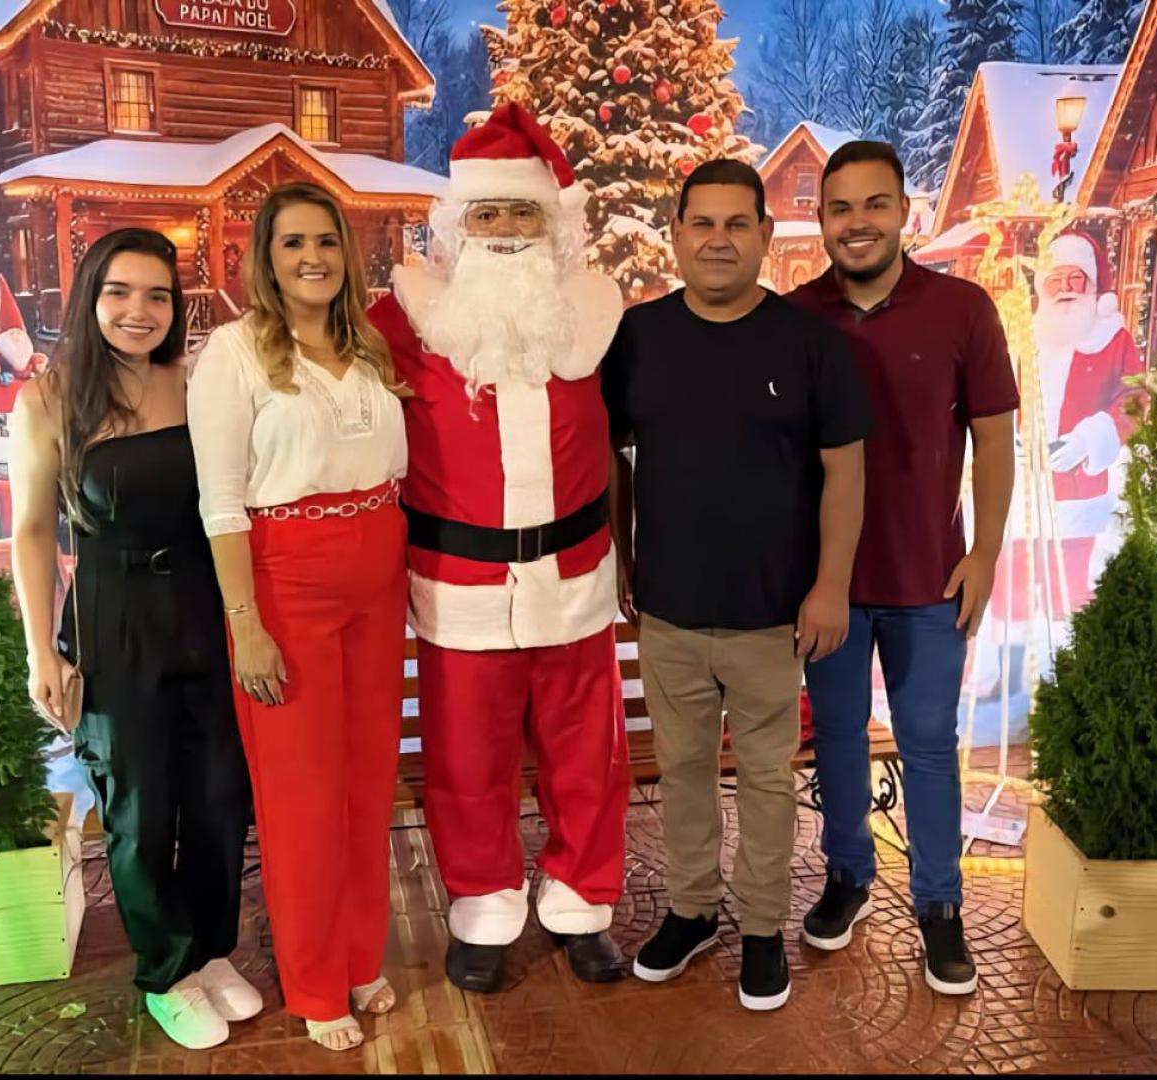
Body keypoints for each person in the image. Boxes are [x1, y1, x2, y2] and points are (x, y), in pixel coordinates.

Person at [366, 103, 631, 993]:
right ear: (457, 226)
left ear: (551, 224)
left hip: (575, 578)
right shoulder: (402, 323)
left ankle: (581, 904)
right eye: (488, 213)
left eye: (523, 211)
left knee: (585, 759)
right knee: (466, 765)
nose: (506, 229)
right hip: (459, 584)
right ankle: (482, 906)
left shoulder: (592, 319)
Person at [608, 159, 870, 1011]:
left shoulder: (808, 343)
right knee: (682, 770)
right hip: (670, 611)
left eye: (735, 224)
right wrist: (620, 557)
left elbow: (845, 471)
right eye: (701, 223)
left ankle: (760, 928)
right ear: (676, 234)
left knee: (764, 779)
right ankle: (691, 911)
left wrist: (829, 586)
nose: (717, 240)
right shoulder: (637, 337)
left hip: (771, 615)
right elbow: (608, 456)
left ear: (763, 234)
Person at [10, 228, 258, 1051]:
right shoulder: (49, 399)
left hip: (205, 601)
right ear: (90, 296)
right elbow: (32, 531)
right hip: (112, 615)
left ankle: (212, 948)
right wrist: (41, 651)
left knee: (219, 795)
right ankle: (166, 970)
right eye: (119, 292)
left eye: (157, 295)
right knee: (139, 806)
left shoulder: (196, 383)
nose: (138, 311)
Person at [790, 141, 1018, 995]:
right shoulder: (795, 319)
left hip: (930, 581)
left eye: (873, 204)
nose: (857, 223)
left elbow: (993, 440)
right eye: (840, 207)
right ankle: (847, 875)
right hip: (829, 585)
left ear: (903, 213)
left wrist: (985, 553)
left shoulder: (962, 310)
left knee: (927, 744)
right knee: (837, 738)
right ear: (820, 220)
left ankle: (938, 903)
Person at [188, 183, 410, 1052]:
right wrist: (244, 622)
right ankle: (316, 982)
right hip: (286, 585)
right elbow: (220, 504)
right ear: (266, 259)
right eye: (293, 243)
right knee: (302, 799)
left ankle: (358, 957)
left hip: (377, 579)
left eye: (325, 241)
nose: (312, 257)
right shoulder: (234, 353)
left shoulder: (368, 346)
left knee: (366, 784)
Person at [977, 231, 1144, 687]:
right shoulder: (1022, 335)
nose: (1067, 287)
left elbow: (1135, 397)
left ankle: (1067, 673)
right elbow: (990, 390)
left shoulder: (1112, 338)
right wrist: (1002, 435)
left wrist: (1092, 439)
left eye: (1077, 278)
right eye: (1057, 279)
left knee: (1067, 584)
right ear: (1043, 285)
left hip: (1076, 489)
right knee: (1011, 581)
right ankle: (1009, 677)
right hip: (1020, 483)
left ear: (1092, 285)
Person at [0, 275, 46, 437]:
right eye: (11, 333)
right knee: (3, 398)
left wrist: (38, 363)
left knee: (31, 398)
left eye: (18, 332)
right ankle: (0, 422)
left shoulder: (24, 346)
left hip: (24, 380)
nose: (16, 336)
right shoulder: (1, 348)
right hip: (5, 381)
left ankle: (31, 423)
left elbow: (33, 361)